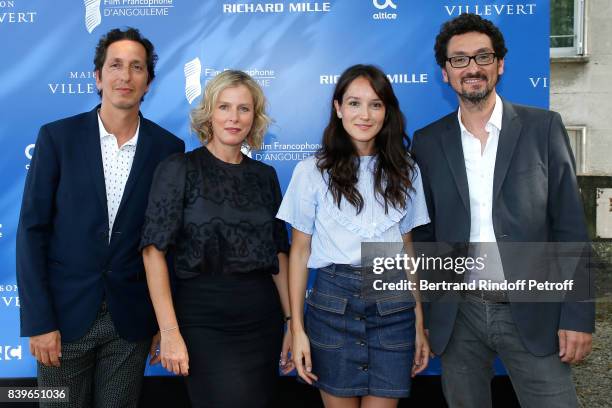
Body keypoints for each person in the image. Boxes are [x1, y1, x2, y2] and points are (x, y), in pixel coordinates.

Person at [411, 13, 594, 408]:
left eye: (482, 56)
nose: (472, 67)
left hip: (532, 309)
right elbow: (423, 235)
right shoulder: (426, 142)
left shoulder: (543, 127)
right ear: (445, 72)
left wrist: (576, 316)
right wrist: (426, 314)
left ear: (500, 64)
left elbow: (570, 227)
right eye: (459, 59)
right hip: (458, 316)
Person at [16, 27, 185, 407]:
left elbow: (168, 243)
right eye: (116, 65)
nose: (125, 76)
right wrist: (39, 322)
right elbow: (31, 231)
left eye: (136, 67)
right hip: (63, 320)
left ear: (148, 82)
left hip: (130, 322)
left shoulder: (168, 149)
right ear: (98, 76)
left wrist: (164, 322)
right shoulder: (57, 138)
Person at [278, 64, 430, 408]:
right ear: (338, 108)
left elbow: (408, 250)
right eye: (354, 103)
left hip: (393, 308)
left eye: (375, 104)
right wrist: (297, 329)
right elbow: (299, 252)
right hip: (332, 307)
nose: (365, 114)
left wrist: (420, 322)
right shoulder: (311, 171)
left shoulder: (406, 170)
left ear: (387, 111)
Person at [140, 70, 293, 408]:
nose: (234, 118)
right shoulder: (178, 168)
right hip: (203, 322)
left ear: (255, 117)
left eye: (244, 109)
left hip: (261, 321)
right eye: (224, 107)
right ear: (209, 113)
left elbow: (279, 254)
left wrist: (292, 323)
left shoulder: (264, 177)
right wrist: (168, 331)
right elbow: (153, 252)